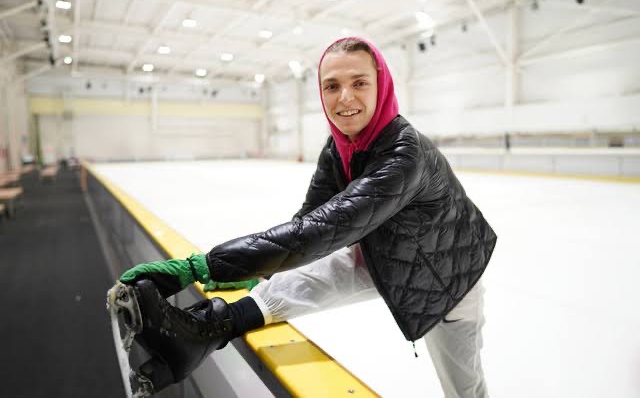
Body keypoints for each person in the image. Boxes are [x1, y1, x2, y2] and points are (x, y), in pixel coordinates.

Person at [119, 37, 497, 398]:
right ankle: (203, 331)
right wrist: (260, 269)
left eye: (359, 83)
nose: (344, 98)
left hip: (447, 276)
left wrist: (202, 267)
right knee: (293, 281)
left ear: (381, 86)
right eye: (331, 86)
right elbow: (309, 219)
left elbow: (321, 232)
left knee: (463, 389)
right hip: (384, 251)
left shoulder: (404, 156)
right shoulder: (340, 147)